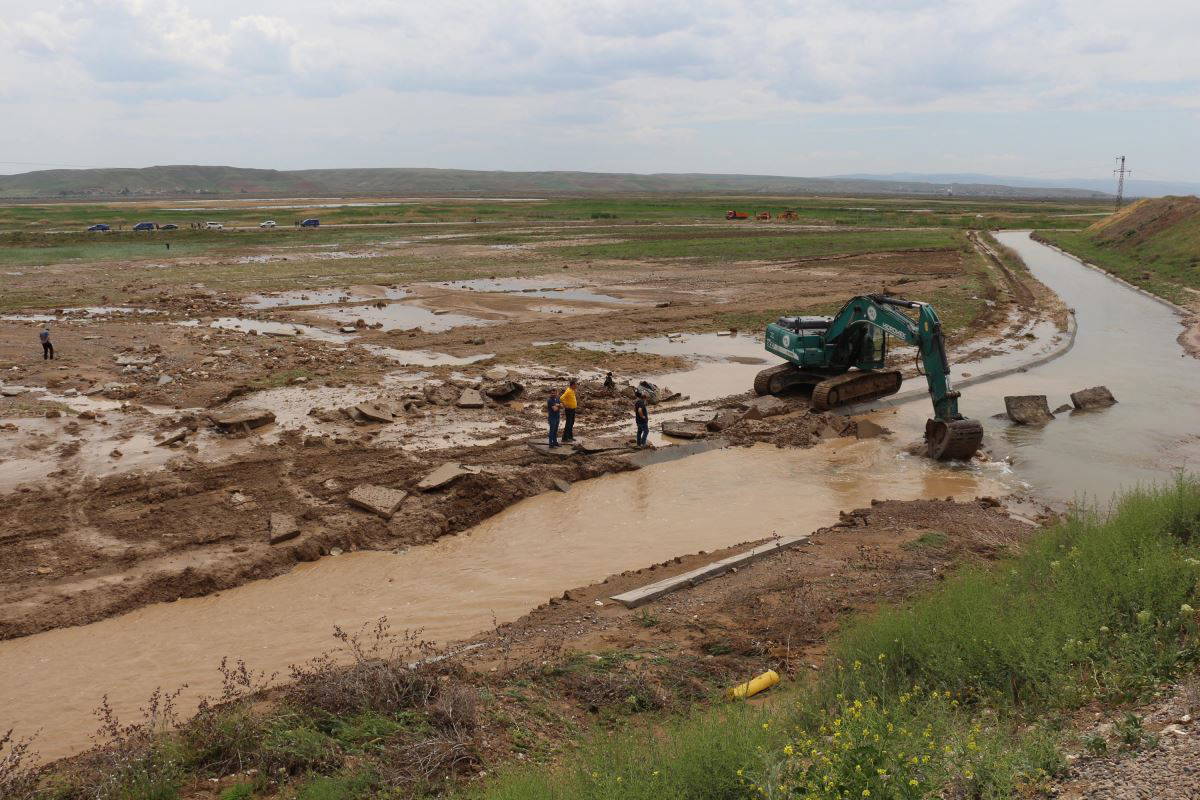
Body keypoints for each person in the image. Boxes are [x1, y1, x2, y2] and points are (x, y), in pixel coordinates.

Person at [560, 378, 578, 442]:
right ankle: (564, 438)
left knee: (571, 423)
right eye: (575, 385)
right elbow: (561, 398)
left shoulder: (572, 390)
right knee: (568, 423)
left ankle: (570, 436)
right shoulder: (568, 391)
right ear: (572, 385)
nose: (576, 386)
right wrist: (565, 405)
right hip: (569, 410)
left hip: (573, 409)